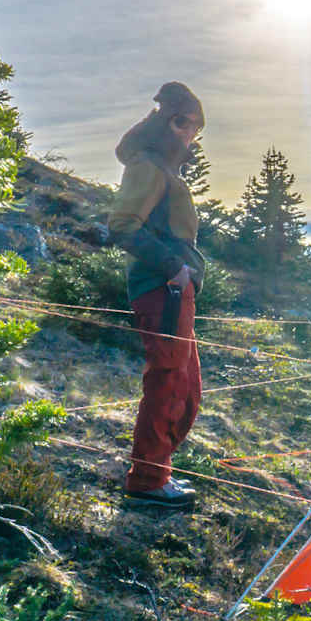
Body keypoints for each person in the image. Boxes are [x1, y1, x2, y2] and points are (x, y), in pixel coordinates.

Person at [108, 82, 207, 508]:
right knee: (168, 380)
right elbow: (122, 226)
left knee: (186, 385)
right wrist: (175, 270)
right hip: (161, 288)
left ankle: (156, 470)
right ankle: (148, 480)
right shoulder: (147, 165)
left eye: (197, 130)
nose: (190, 135)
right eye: (186, 124)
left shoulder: (166, 170)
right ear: (167, 120)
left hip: (172, 290)